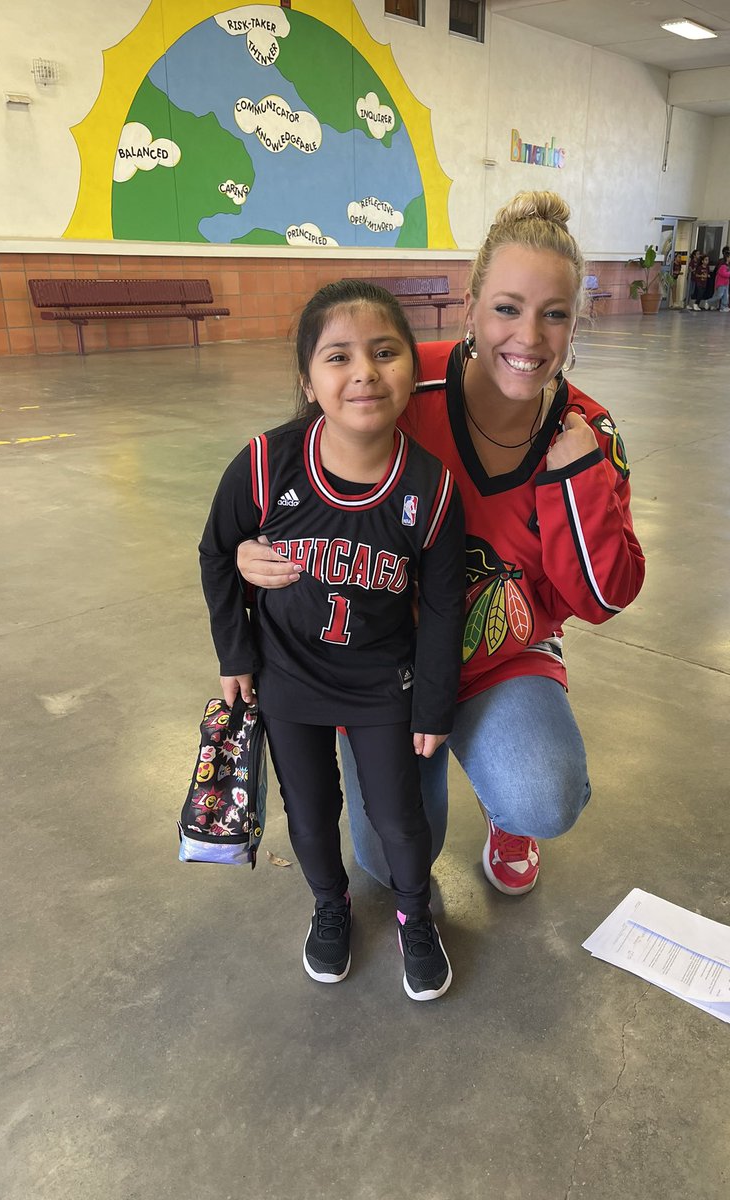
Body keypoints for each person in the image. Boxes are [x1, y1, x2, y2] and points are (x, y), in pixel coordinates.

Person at [236, 191, 645, 912]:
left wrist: (577, 478)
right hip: (382, 668)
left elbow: (604, 597)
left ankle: (505, 808)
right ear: (470, 309)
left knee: (541, 795)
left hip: (501, 657)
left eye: (555, 314)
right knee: (386, 860)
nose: (529, 336)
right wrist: (251, 549)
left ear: (576, 323)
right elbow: (298, 468)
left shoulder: (589, 433)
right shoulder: (398, 380)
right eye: (508, 308)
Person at [199, 279, 466, 1002]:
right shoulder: (267, 463)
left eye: (385, 352)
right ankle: (329, 904)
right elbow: (217, 551)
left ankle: (415, 915)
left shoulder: (430, 488)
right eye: (338, 357)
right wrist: (234, 652)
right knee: (311, 812)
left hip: (382, 682)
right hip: (288, 676)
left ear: (412, 364)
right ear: (308, 379)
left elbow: (445, 607)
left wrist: (434, 703)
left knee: (399, 819)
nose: (364, 373)